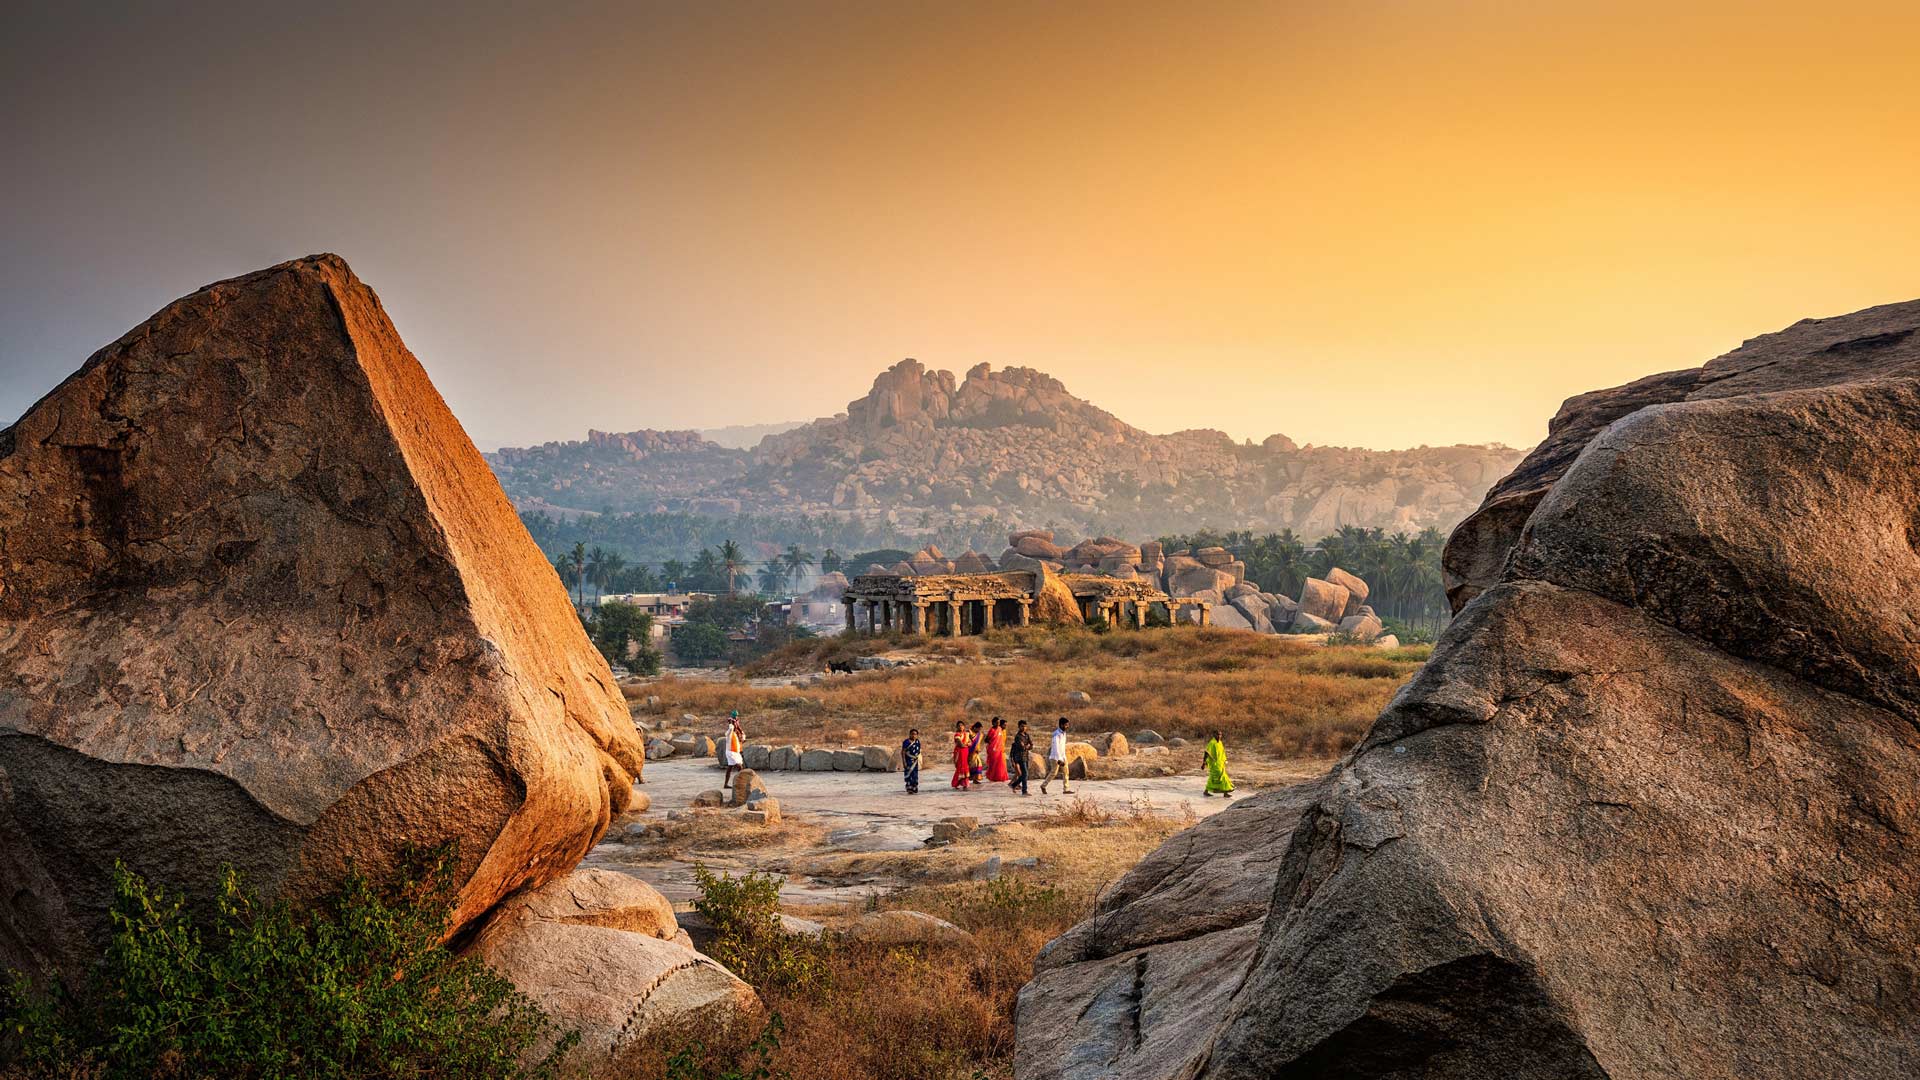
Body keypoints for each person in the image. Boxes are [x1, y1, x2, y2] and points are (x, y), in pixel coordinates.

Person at [1039, 716, 1072, 795]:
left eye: (1068, 725)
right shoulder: (1056, 734)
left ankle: (1066, 789)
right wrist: (1059, 759)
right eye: (1066, 725)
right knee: (1054, 773)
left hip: (1062, 756)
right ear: (1061, 725)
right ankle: (1043, 786)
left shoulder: (1063, 733)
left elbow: (1062, 747)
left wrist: (1063, 757)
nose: (1067, 726)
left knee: (1066, 772)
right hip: (1055, 757)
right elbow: (1056, 747)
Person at [1203, 730, 1234, 798]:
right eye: (1218, 735)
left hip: (1220, 763)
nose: (1219, 736)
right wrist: (1203, 763)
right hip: (1214, 764)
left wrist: (1225, 760)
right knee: (1221, 777)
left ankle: (1207, 791)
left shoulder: (1220, 743)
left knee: (1215, 777)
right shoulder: (1212, 743)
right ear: (1214, 735)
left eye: (1220, 735)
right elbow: (1206, 752)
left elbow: (1222, 752)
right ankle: (1225, 792)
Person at [1008, 720, 1033, 796]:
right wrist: (1027, 746)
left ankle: (1014, 784)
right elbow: (1022, 747)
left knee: (1024, 774)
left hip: (1025, 756)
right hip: (1020, 757)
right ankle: (1024, 791)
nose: (1024, 728)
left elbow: (1031, 745)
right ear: (1019, 727)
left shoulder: (1026, 735)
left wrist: (1028, 746)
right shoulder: (1018, 737)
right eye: (1022, 726)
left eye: (1025, 726)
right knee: (1025, 774)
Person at [721, 711, 745, 790]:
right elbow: (731, 728)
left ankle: (726, 784)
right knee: (739, 767)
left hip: (734, 752)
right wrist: (731, 723)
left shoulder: (736, 733)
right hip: (731, 752)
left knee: (730, 768)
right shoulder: (730, 732)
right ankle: (742, 783)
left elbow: (739, 730)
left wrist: (741, 734)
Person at [985, 717, 1009, 784]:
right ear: (993, 723)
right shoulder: (991, 730)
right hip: (993, 750)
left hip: (1000, 750)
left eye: (998, 723)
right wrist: (993, 745)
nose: (998, 724)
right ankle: (993, 777)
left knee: (1001, 764)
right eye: (997, 722)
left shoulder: (1000, 729)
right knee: (994, 764)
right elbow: (986, 740)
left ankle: (1000, 777)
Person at [950, 720, 971, 790]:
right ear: (956, 727)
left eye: (962, 725)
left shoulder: (966, 734)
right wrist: (966, 744)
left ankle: (964, 783)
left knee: (965, 767)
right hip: (959, 752)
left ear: (964, 726)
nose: (960, 727)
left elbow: (970, 743)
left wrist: (967, 744)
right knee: (960, 767)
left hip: (965, 752)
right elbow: (960, 744)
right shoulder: (957, 735)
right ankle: (958, 783)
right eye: (959, 726)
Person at [901, 728, 922, 794]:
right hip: (908, 761)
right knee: (909, 774)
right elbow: (903, 752)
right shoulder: (906, 742)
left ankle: (914, 787)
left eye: (915, 734)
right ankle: (909, 788)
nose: (914, 736)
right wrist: (904, 762)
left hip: (915, 761)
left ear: (917, 735)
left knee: (915, 775)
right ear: (909, 734)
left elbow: (918, 751)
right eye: (912, 734)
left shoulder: (917, 741)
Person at [967, 722, 987, 786]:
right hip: (970, 752)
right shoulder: (969, 732)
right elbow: (968, 741)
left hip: (976, 752)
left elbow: (978, 743)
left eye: (980, 729)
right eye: (978, 729)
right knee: (971, 766)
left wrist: (979, 749)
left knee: (978, 764)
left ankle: (975, 779)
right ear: (975, 727)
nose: (979, 730)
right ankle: (968, 779)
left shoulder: (979, 734)